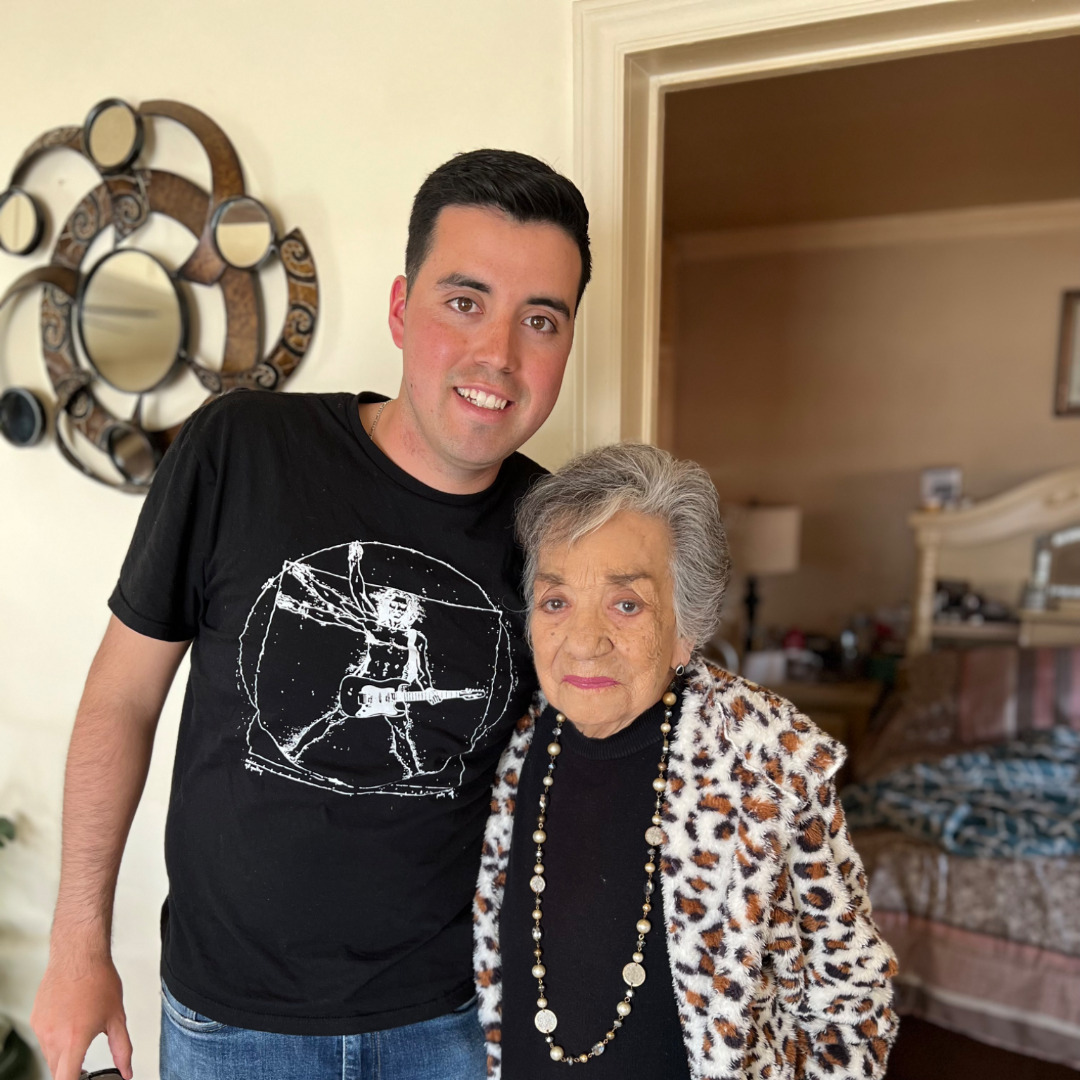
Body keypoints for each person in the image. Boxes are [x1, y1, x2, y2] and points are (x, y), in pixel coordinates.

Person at [31, 148, 591, 1080]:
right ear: (401, 310)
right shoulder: (242, 448)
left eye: (541, 319)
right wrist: (78, 943)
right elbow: (122, 699)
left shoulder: (562, 533)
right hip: (231, 1027)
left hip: (455, 1024)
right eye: (465, 301)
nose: (499, 352)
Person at [474, 444, 898, 1079]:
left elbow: (851, 996)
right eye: (556, 601)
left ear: (686, 628)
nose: (583, 642)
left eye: (626, 604)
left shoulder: (767, 764)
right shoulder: (510, 741)